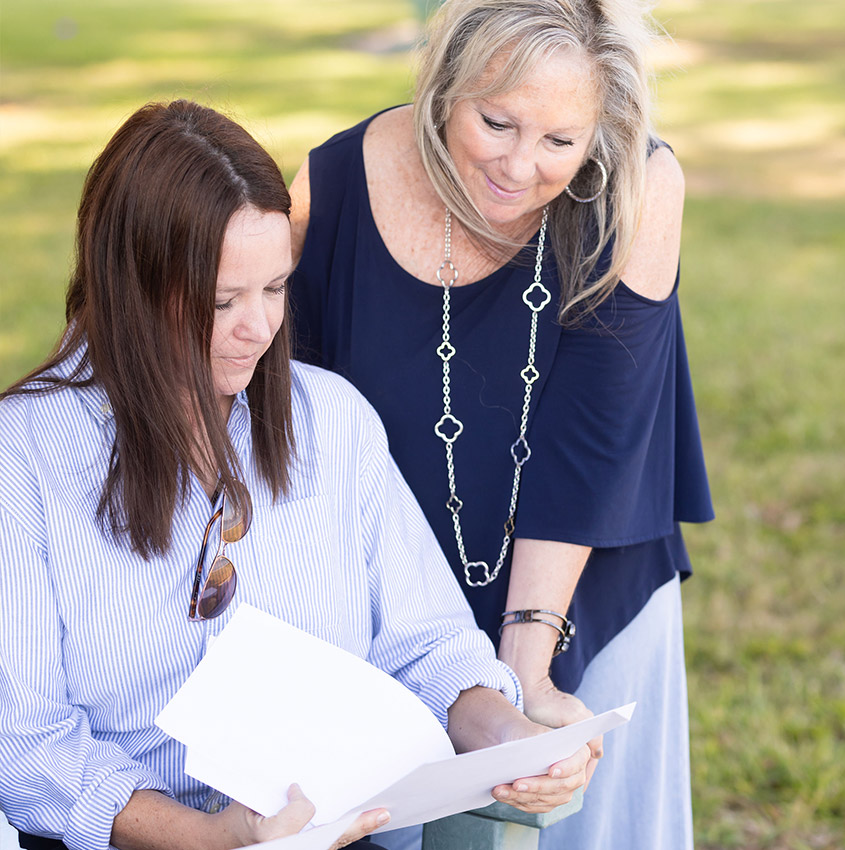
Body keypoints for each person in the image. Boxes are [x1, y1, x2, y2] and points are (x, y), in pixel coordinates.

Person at [0, 100, 592, 850]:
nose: (259, 327)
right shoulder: (23, 455)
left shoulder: (332, 421)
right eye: (222, 300)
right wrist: (211, 838)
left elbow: (430, 648)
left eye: (276, 288)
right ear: (130, 289)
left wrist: (514, 740)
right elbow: (27, 744)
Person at [288, 1, 714, 848]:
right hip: (390, 604)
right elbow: (292, 429)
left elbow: (597, 439)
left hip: (587, 580)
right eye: (496, 122)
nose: (521, 166)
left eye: (561, 141)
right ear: (444, 87)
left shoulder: (638, 182)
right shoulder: (331, 185)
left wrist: (527, 671)